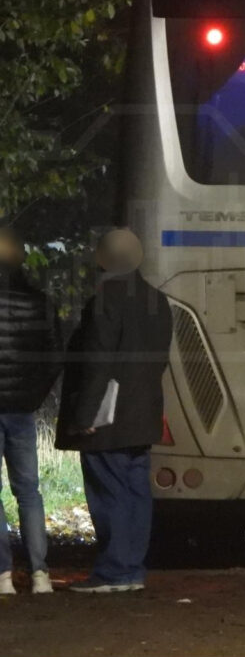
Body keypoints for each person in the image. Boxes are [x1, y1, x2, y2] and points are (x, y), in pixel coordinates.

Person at [56, 228, 172, 593]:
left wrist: (85, 415)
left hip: (109, 417)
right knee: (136, 494)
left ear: (104, 259)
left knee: (110, 494)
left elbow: (97, 362)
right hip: (143, 412)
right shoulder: (158, 300)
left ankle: (114, 571)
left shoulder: (106, 300)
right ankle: (132, 569)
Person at [0, 227, 61, 595]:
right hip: (22, 409)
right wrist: (34, 396)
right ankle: (40, 574)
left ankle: (3, 576)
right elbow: (53, 356)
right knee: (29, 492)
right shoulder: (39, 302)